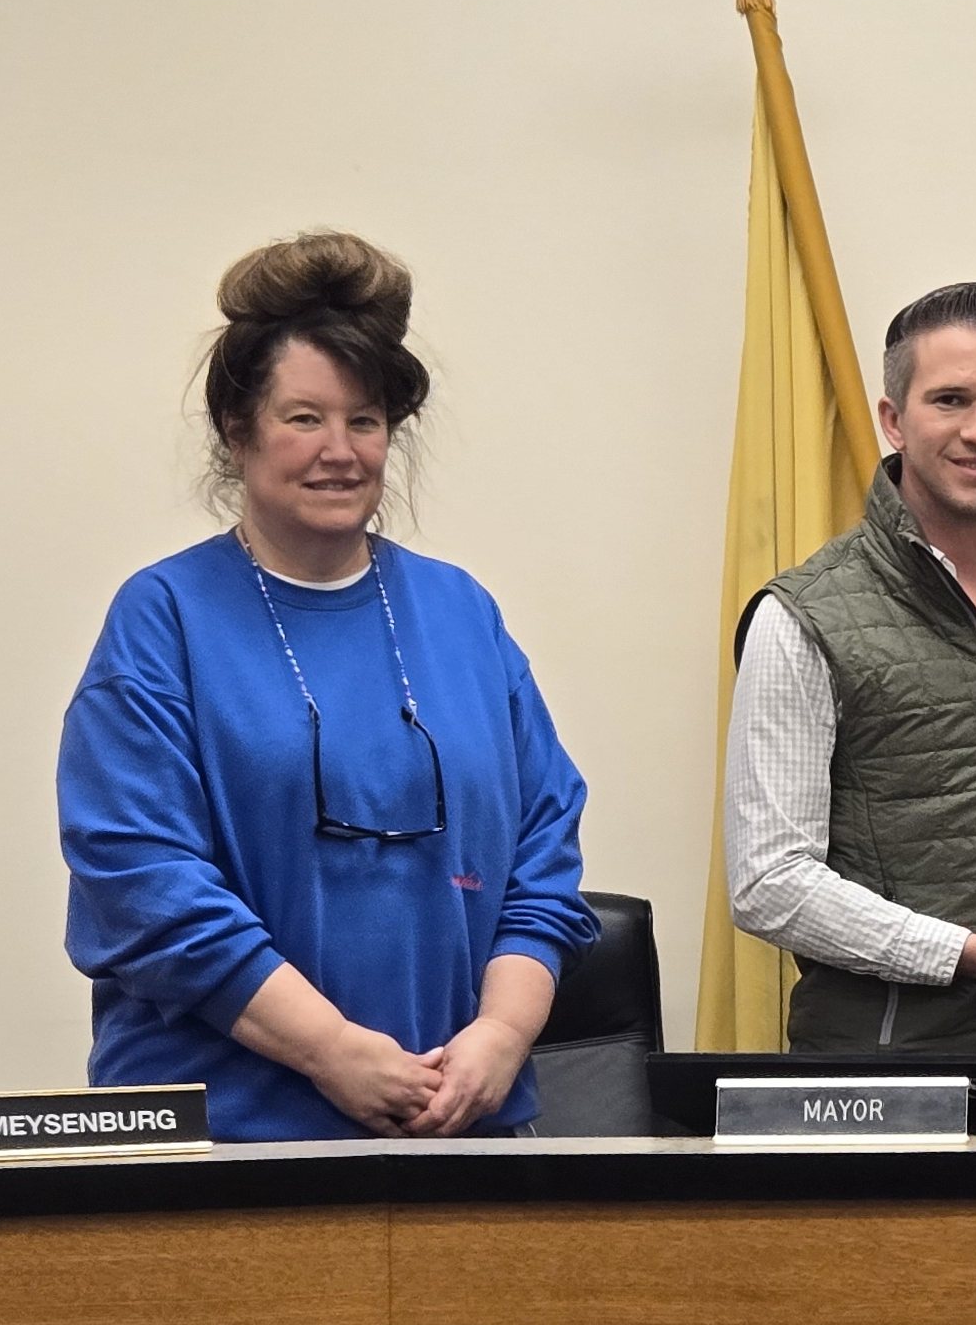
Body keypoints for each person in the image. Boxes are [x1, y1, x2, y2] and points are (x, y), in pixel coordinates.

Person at [60, 231, 594, 1141]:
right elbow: (142, 882)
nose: (339, 451)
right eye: (304, 418)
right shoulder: (164, 617)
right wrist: (330, 1050)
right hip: (232, 1142)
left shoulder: (461, 612)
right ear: (237, 431)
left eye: (365, 420)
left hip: (457, 1129)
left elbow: (544, 858)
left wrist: (502, 1035)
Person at [725, 282, 976, 1053]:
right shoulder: (804, 615)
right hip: (885, 1078)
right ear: (893, 420)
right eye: (950, 400)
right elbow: (768, 884)